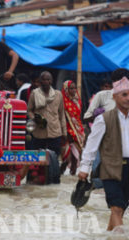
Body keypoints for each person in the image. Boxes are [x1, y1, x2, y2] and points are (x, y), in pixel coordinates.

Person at [78, 76, 129, 231]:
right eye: (124, 95)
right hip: (110, 168)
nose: (128, 98)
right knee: (115, 207)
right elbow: (91, 145)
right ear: (114, 97)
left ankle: (108, 234)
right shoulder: (103, 119)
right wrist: (84, 168)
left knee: (120, 209)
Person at [27, 71, 67, 183]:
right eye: (43, 79)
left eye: (48, 79)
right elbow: (29, 110)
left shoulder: (58, 94)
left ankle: (53, 181)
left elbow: (61, 114)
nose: (46, 82)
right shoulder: (35, 94)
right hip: (39, 132)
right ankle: (33, 180)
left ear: (51, 81)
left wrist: (64, 133)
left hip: (55, 131)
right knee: (36, 158)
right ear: (40, 81)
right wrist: (35, 118)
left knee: (54, 159)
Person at [60, 80, 84, 175]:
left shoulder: (77, 100)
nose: (74, 90)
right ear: (66, 89)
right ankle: (63, 167)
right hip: (66, 128)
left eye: (75, 88)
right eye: (71, 88)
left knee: (77, 149)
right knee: (66, 150)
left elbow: (78, 115)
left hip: (77, 128)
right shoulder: (62, 100)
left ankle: (73, 171)